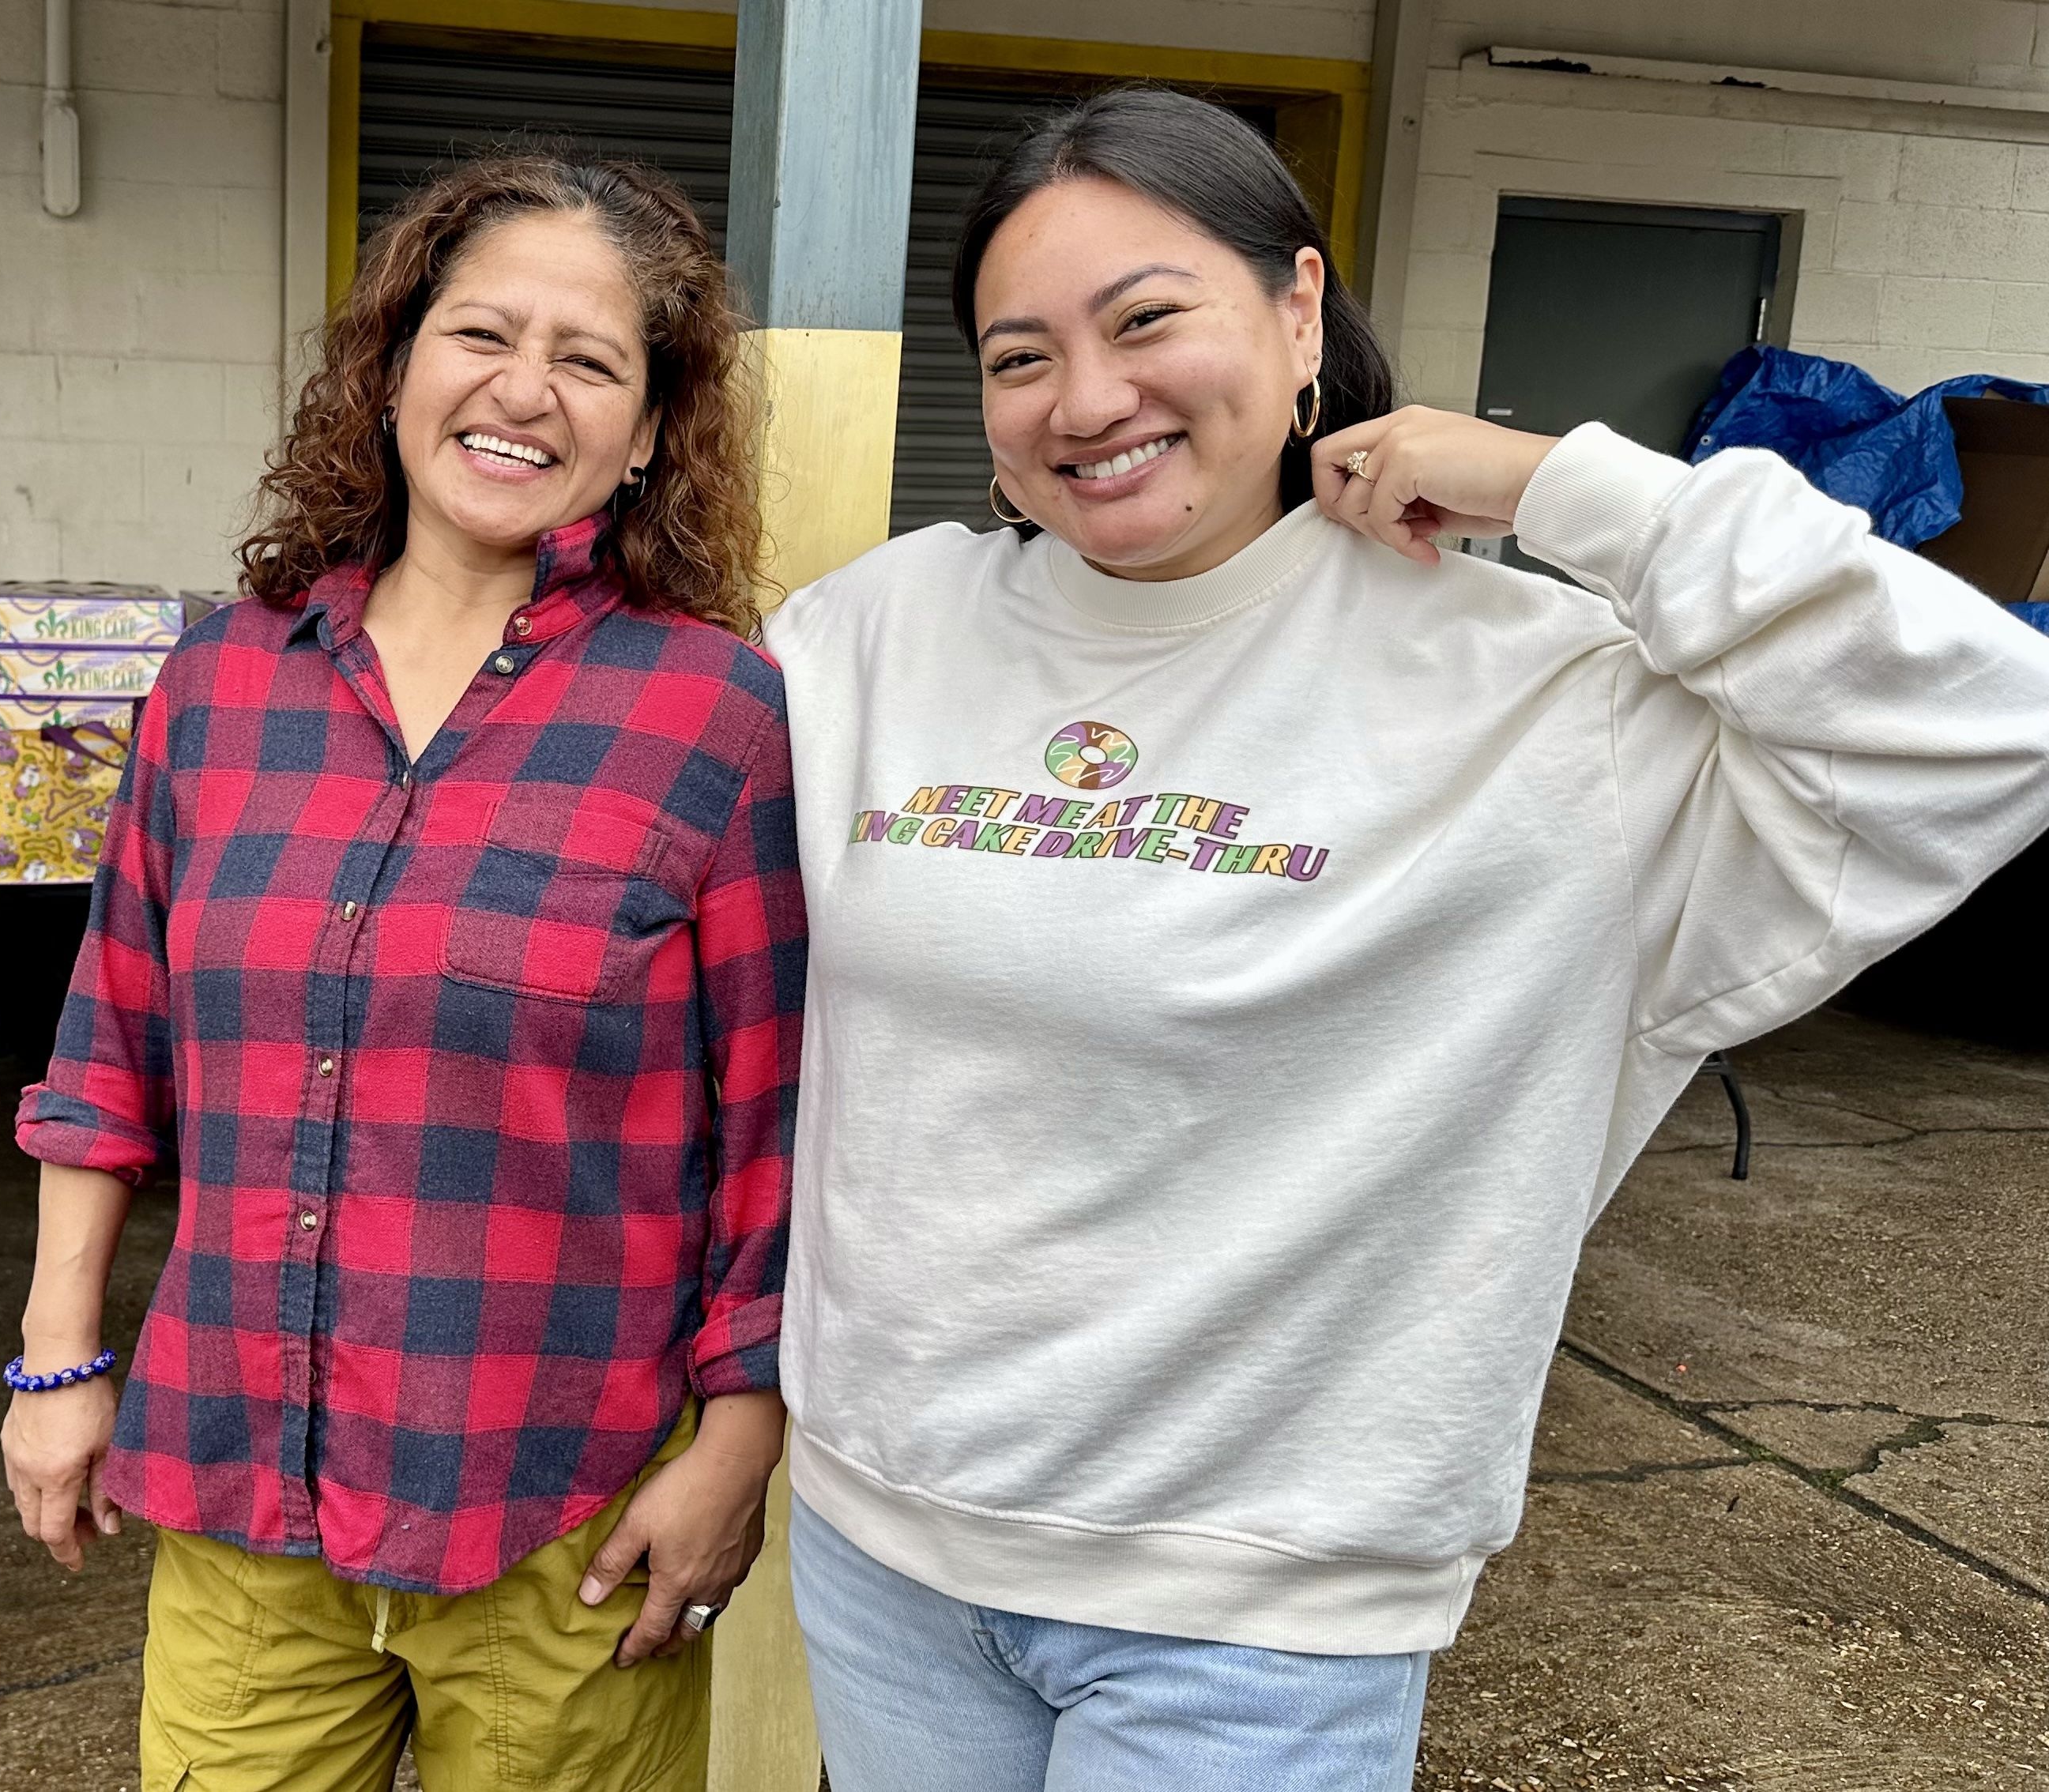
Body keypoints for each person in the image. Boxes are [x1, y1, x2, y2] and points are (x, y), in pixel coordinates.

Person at [762, 87, 2049, 1791]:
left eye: (1149, 319)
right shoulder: (876, 631)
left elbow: (1993, 729)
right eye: (1019, 356)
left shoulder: (1539, 693)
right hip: (883, 1550)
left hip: (1258, 1619)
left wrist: (1562, 484)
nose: (1087, 400)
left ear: (1300, 311)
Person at [4, 152, 805, 1792]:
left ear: (652, 430)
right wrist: (58, 1359)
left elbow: (775, 1139)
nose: (526, 390)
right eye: (481, 334)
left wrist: (739, 1447)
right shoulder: (221, 684)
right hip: (243, 1491)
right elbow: (110, 1052)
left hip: (565, 1517)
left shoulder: (716, 720)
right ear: (392, 368)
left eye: (592, 362)